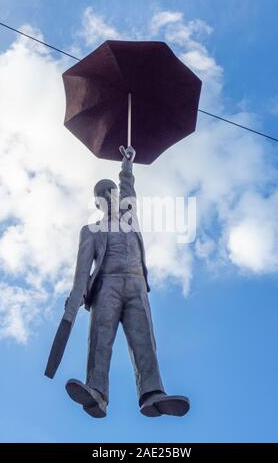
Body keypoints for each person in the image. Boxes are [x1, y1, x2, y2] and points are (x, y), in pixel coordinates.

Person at [50, 145, 189, 418]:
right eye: (103, 195)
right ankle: (97, 393)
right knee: (100, 340)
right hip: (106, 287)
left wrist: (127, 164)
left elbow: (129, 188)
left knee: (145, 342)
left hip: (136, 285)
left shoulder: (130, 218)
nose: (109, 197)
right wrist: (75, 299)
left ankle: (152, 394)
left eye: (111, 192)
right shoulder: (90, 231)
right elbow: (81, 273)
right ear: (97, 203)